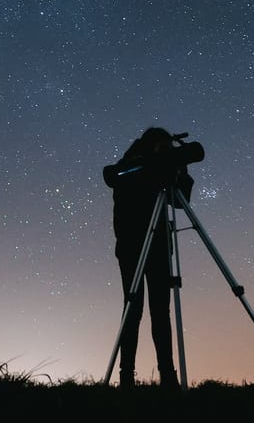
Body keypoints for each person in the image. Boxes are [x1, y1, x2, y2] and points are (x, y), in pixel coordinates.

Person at [103, 127, 188, 391]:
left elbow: (181, 202)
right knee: (133, 309)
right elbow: (114, 178)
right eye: (161, 148)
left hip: (160, 247)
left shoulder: (160, 170)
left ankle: (169, 375)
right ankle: (126, 375)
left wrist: (180, 167)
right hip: (132, 248)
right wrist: (154, 167)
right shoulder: (130, 167)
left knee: (161, 312)